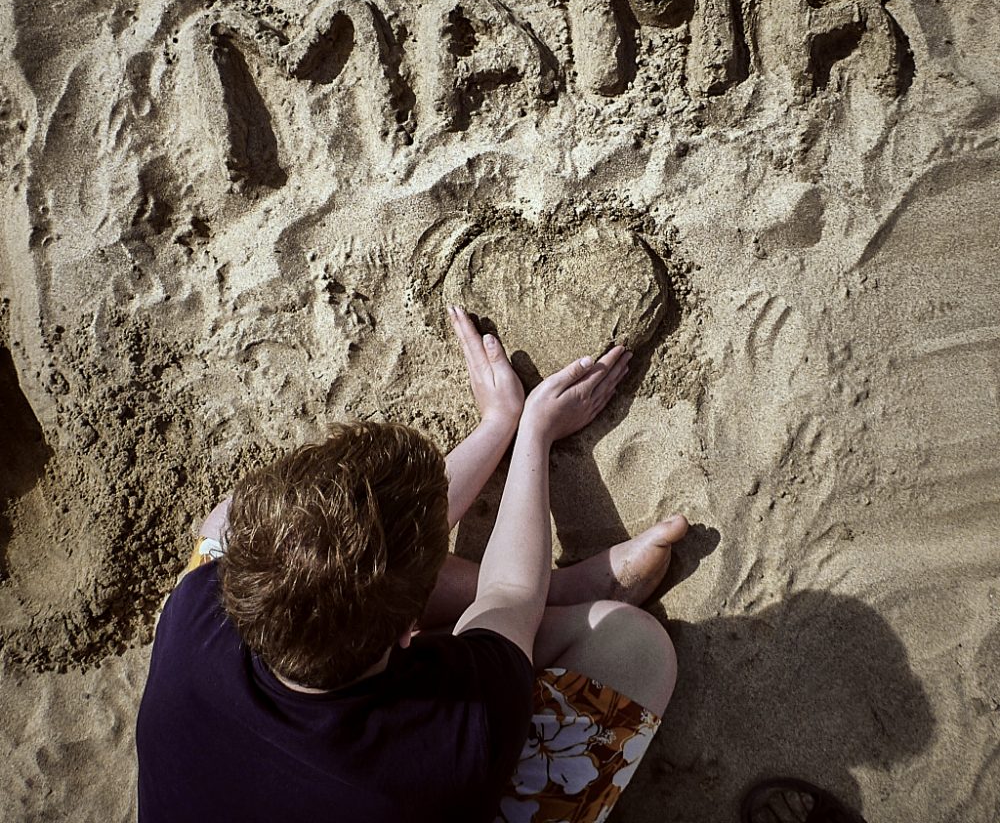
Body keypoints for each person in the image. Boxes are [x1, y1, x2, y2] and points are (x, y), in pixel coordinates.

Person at [136, 305, 689, 823]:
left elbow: (341, 555)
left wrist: (496, 423)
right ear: (409, 632)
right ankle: (555, 602)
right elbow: (510, 594)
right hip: (415, 792)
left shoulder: (194, 611)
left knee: (226, 526)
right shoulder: (450, 740)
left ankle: (561, 589)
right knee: (635, 647)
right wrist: (532, 435)